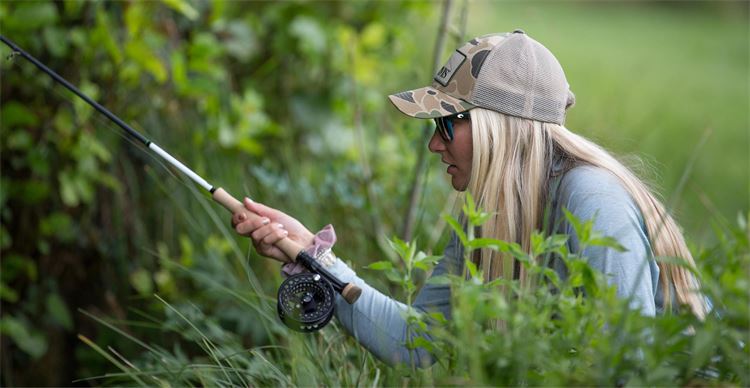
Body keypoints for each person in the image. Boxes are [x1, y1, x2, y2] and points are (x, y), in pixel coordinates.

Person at [232, 30, 706, 366]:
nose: (434, 145)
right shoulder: (490, 217)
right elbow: (414, 341)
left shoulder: (591, 198)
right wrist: (314, 256)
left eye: (445, 124)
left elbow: (630, 367)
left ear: (496, 128)